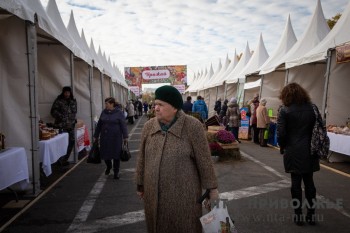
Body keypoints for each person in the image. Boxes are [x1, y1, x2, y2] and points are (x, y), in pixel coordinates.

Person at [136, 85, 219, 233]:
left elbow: (204, 160)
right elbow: (142, 157)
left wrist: (212, 189)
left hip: (184, 198)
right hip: (152, 195)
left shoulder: (193, 126)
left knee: (184, 226)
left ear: (174, 107)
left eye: (161, 105)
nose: (156, 108)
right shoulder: (149, 127)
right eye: (155, 104)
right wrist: (140, 183)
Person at [277, 83, 320, 226]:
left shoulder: (284, 110)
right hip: (310, 149)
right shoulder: (312, 108)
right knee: (310, 183)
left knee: (295, 184)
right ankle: (311, 215)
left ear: (286, 95)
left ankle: (298, 216)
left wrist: (282, 146)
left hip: (293, 150)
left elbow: (281, 133)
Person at [94, 97, 128, 179]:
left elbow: (123, 125)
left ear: (112, 104)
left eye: (107, 104)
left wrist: (125, 136)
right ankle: (109, 166)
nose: (105, 105)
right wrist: (96, 135)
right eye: (105, 103)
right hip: (104, 137)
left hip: (116, 138)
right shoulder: (104, 112)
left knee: (116, 155)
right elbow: (99, 124)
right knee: (105, 154)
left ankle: (116, 172)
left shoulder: (119, 112)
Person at [51, 86, 77, 166]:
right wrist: (61, 116)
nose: (67, 94)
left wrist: (73, 120)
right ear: (63, 92)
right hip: (61, 126)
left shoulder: (73, 101)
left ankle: (64, 160)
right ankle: (60, 161)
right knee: (62, 144)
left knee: (71, 142)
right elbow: (53, 111)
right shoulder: (59, 101)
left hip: (71, 126)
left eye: (68, 92)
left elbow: (74, 112)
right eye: (65, 92)